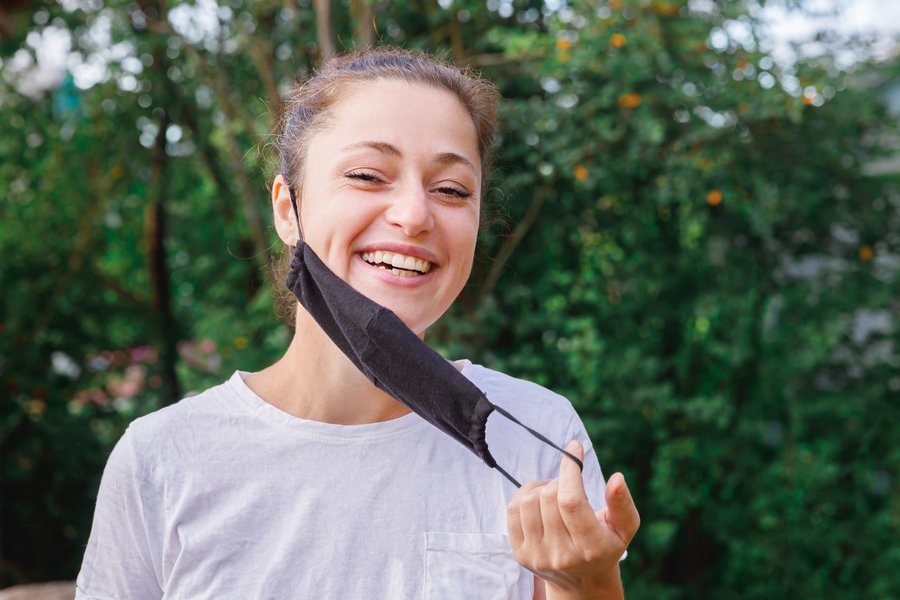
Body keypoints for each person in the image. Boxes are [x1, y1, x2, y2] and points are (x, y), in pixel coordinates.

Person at [76, 47, 639, 600]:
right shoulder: (162, 458)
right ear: (286, 210)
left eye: (450, 189)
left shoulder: (535, 435)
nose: (415, 215)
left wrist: (587, 586)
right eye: (369, 175)